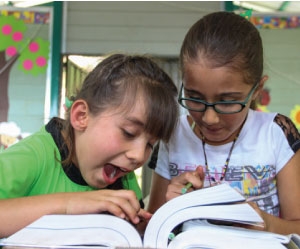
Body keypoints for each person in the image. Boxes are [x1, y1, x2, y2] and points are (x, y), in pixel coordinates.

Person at [147, 11, 300, 235]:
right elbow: (151, 228)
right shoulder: (172, 134)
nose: (209, 118)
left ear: (257, 90)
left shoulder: (276, 133)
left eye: (228, 102)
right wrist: (171, 209)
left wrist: (265, 223)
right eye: (195, 97)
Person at [0, 53, 179, 238]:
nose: (139, 156)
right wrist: (70, 204)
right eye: (129, 133)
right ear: (81, 116)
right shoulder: (34, 156)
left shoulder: (123, 178)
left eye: (150, 144)